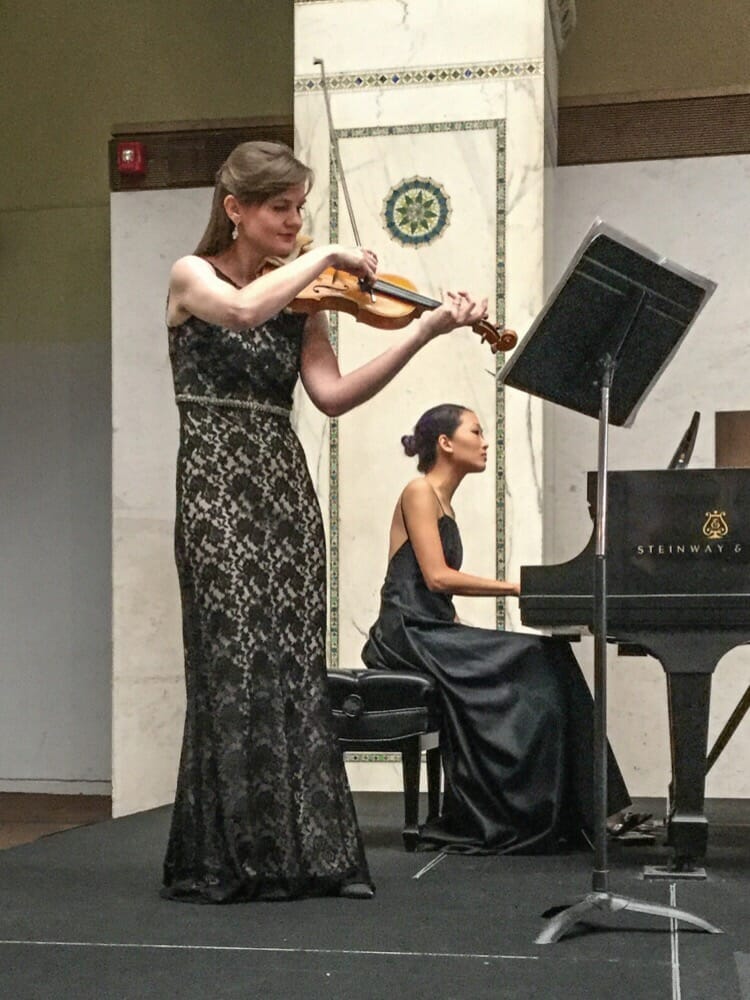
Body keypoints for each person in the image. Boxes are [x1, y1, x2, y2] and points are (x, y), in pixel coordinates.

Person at [161, 141, 493, 902]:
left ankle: (307, 855)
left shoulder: (303, 301)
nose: (294, 221)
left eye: (302, 208)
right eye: (280, 207)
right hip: (214, 485)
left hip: (283, 490)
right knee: (233, 665)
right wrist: (329, 253)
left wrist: (424, 330)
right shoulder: (193, 275)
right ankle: (229, 856)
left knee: (289, 669)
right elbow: (243, 311)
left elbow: (333, 395)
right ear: (236, 209)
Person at [362, 404, 630, 853]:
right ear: (446, 443)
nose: (486, 442)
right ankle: (543, 810)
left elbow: (434, 591)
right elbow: (436, 578)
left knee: (552, 656)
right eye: (476, 431)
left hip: (432, 628)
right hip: (407, 633)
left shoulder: (443, 501)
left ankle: (585, 808)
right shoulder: (419, 491)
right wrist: (518, 586)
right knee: (540, 655)